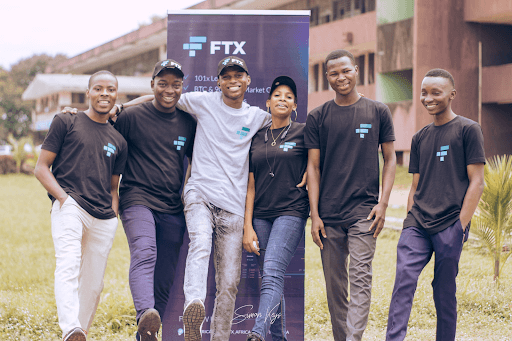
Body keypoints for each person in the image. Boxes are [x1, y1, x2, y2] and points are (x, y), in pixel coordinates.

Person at [385, 69, 485, 341]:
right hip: (418, 223)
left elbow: (477, 182)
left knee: (443, 291)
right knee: (403, 282)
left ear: (451, 94)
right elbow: (416, 186)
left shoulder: (468, 130)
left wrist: (459, 227)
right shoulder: (420, 138)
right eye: (424, 93)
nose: (428, 98)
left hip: (450, 223)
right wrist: (408, 221)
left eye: (435, 93)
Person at [305, 49, 396, 341]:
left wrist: (383, 203)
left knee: (360, 278)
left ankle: (353, 338)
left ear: (356, 71)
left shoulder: (378, 111)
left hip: (364, 213)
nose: (340, 77)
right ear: (327, 77)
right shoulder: (318, 116)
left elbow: (391, 159)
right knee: (335, 287)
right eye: (334, 73)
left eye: (345, 71)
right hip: (329, 215)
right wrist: (315, 215)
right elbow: (314, 167)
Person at [34, 71, 128, 341]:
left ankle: (80, 333)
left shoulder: (118, 140)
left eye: (110, 89)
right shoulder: (66, 120)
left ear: (116, 95)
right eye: (98, 88)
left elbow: (113, 186)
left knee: (94, 283)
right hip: (71, 206)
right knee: (68, 264)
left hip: (104, 218)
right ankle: (70, 328)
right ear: (88, 93)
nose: (104, 94)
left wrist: (112, 214)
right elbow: (41, 168)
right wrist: (63, 199)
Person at [113, 60, 196, 341]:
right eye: (162, 83)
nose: (169, 89)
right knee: (145, 251)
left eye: (175, 84)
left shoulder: (188, 122)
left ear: (182, 87)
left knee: (165, 275)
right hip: (137, 199)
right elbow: (100, 129)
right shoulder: (130, 118)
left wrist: (187, 193)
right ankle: (144, 313)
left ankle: (147, 333)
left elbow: (197, 162)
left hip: (173, 207)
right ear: (152, 85)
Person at [243, 76, 309, 341]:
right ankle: (278, 336)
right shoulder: (256, 137)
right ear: (268, 102)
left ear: (295, 106)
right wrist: (247, 226)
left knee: (272, 271)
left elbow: (319, 163)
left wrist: (311, 173)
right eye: (278, 95)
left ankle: (257, 333)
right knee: (270, 275)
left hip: (291, 211)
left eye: (289, 96)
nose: (283, 99)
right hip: (260, 215)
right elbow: (250, 186)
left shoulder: (304, 132)